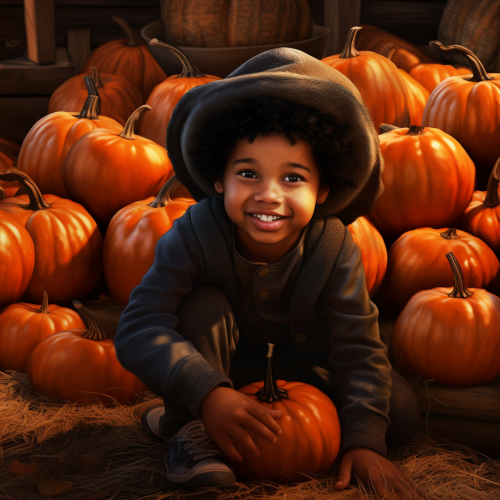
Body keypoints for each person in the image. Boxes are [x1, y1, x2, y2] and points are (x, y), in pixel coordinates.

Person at [113, 47, 423, 497]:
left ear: (324, 188)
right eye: (248, 174)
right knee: (202, 306)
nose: (269, 195)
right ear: (220, 179)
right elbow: (140, 326)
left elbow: (358, 346)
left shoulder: (333, 247)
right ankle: (188, 427)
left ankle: (186, 411)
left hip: (307, 369)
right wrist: (207, 393)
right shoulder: (194, 234)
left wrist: (363, 439)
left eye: (293, 178)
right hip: (222, 363)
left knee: (401, 415)